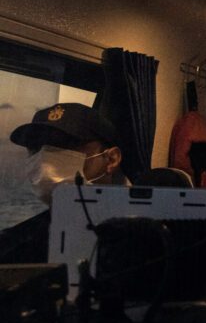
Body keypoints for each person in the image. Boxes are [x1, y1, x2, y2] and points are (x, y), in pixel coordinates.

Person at [0, 103, 126, 264]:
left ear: (111, 159)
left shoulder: (141, 239)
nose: (45, 158)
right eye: (35, 147)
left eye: (64, 144)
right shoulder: (14, 244)